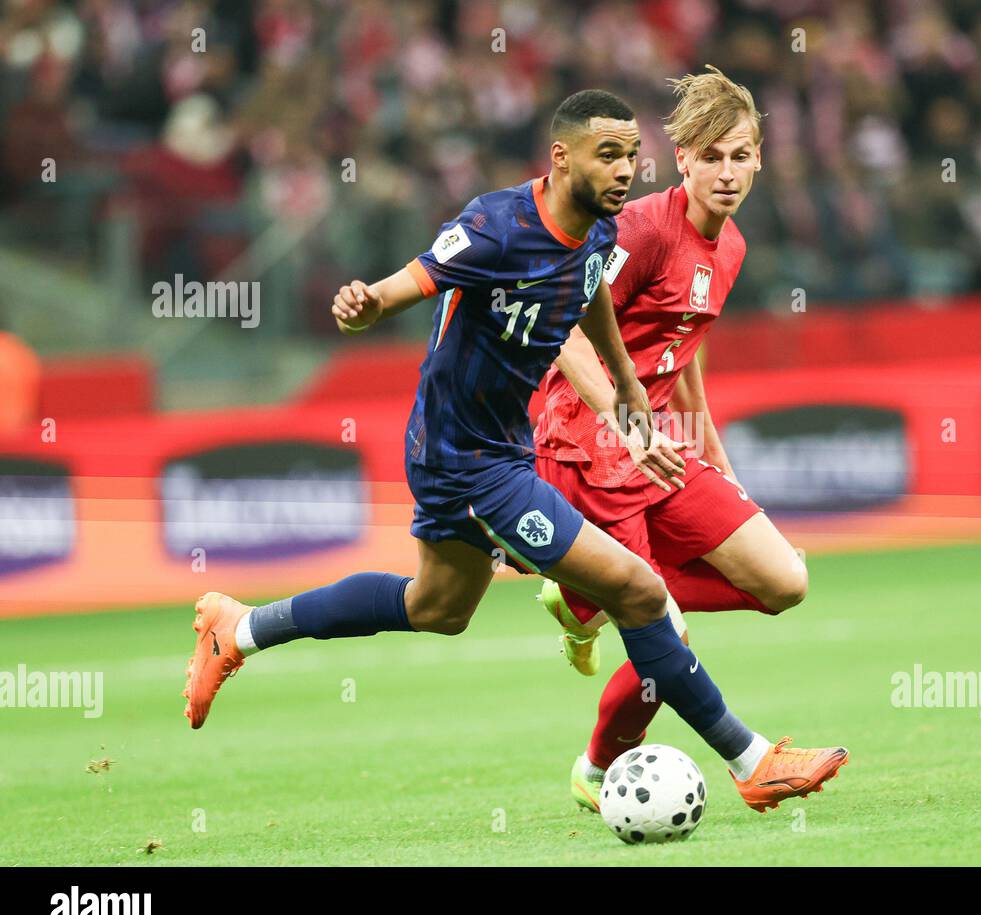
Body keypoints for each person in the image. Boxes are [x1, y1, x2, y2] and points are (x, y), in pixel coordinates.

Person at [181, 89, 847, 814]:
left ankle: (238, 628)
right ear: (561, 158)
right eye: (608, 155)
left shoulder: (596, 234)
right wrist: (368, 303)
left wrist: (630, 395)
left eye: (630, 154)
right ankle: (751, 760)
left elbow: (593, 304)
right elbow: (418, 278)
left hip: (501, 449)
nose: (626, 169)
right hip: (466, 457)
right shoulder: (497, 225)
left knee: (438, 605)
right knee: (641, 592)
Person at [534, 68, 842, 812]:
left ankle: (594, 599)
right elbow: (559, 326)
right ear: (682, 159)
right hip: (583, 440)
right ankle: (603, 765)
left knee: (783, 580)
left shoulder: (728, 247)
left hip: (659, 446)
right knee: (661, 629)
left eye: (740, 156)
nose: (727, 172)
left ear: (760, 158)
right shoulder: (640, 229)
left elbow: (685, 344)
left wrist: (716, 454)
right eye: (712, 157)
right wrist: (623, 419)